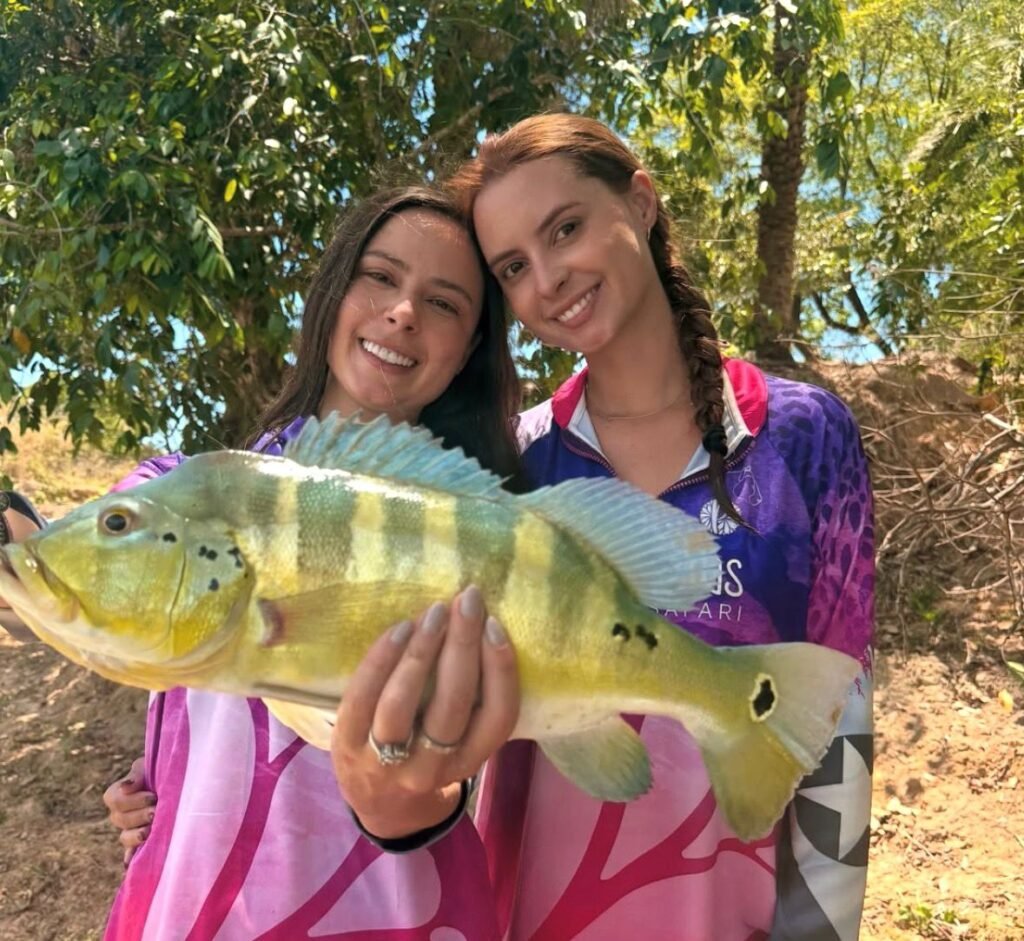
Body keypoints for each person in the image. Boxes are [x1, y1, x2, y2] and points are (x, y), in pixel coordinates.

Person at [438, 114, 873, 941]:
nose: (549, 279)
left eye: (565, 228)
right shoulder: (517, 462)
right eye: (513, 268)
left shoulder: (807, 435)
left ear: (639, 202)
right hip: (534, 914)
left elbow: (837, 718)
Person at [96, 184, 522, 940]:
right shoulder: (174, 492)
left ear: (468, 352)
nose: (403, 311)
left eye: (445, 303)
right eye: (381, 276)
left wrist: (417, 796)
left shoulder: (489, 536)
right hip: (193, 906)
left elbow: (465, 756)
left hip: (396, 911)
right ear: (333, 292)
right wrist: (158, 788)